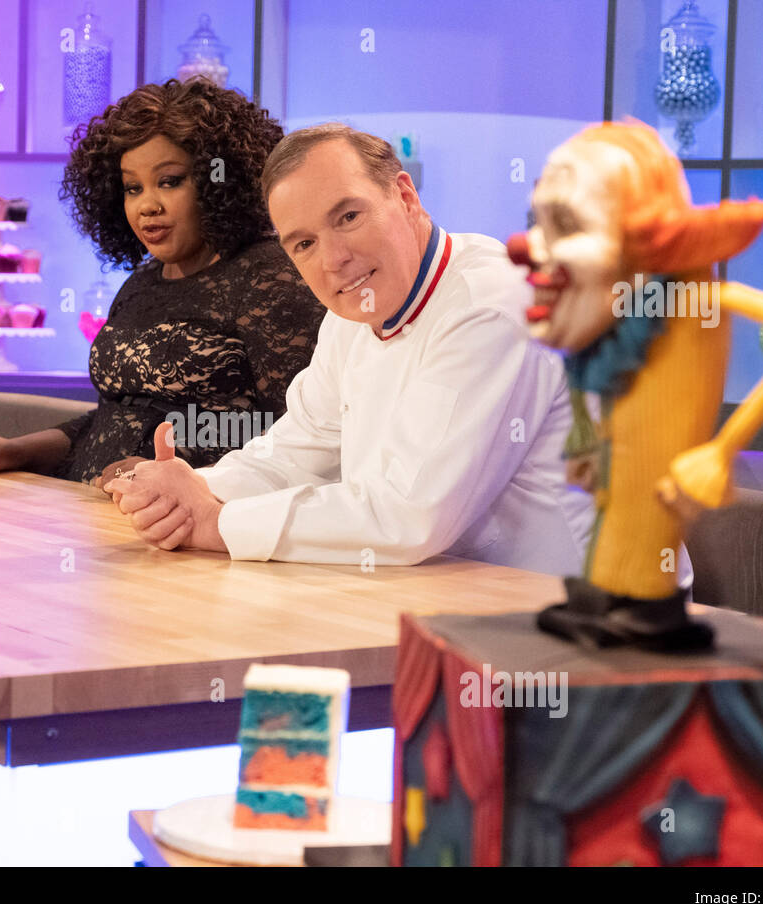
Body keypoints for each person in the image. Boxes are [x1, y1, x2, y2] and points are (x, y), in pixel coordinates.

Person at [105, 123, 594, 576]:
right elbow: (299, 450)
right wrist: (192, 491)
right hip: (457, 598)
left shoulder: (487, 306)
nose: (334, 259)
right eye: (303, 244)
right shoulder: (355, 313)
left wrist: (217, 525)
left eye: (349, 216)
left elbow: (409, 515)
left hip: (582, 625)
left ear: (405, 197)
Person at [0, 80, 324, 486]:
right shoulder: (142, 282)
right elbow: (114, 420)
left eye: (170, 180)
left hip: (191, 533)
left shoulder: (271, 278)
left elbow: (298, 440)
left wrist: (174, 475)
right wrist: (14, 450)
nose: (147, 205)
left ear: (219, 181)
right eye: (132, 188)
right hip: (95, 518)